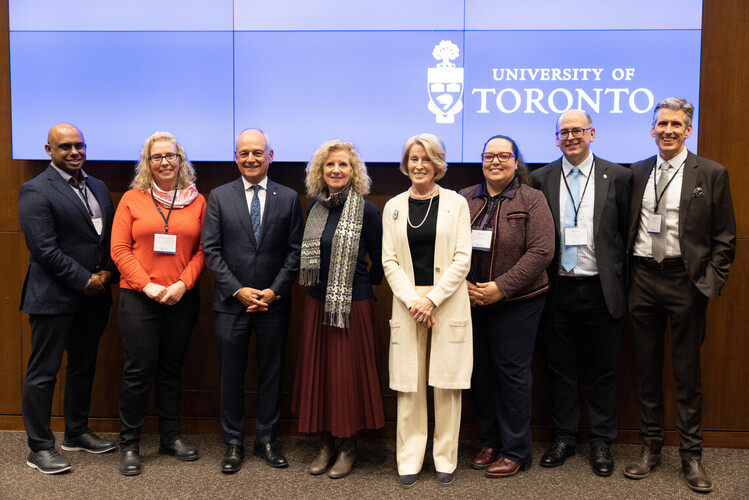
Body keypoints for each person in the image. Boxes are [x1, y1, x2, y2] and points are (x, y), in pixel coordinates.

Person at [624, 97, 736, 493]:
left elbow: (725, 237)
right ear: (652, 130)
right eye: (661, 124)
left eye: (676, 124)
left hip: (685, 280)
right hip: (642, 278)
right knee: (647, 368)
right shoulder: (635, 172)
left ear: (688, 130)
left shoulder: (711, 172)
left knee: (687, 373)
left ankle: (692, 455)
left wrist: (709, 281)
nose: (668, 130)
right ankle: (650, 447)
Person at [531, 110, 632, 476]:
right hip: (558, 288)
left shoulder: (619, 176)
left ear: (592, 133)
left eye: (577, 130)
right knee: (559, 368)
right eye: (564, 132)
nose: (571, 137)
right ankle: (564, 437)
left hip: (601, 289)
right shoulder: (541, 178)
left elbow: (628, 233)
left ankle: (602, 442)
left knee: (603, 370)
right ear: (556, 139)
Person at [202, 128, 303, 474]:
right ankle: (233, 443)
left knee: (271, 374)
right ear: (236, 157)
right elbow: (211, 252)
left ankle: (266, 440)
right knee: (231, 375)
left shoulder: (288, 197)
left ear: (270, 156)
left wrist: (273, 291)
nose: (250, 159)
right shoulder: (218, 196)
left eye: (257, 152)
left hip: (274, 304)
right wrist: (239, 289)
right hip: (232, 304)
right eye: (243, 153)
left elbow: (295, 252)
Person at [19, 123, 117, 474]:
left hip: (94, 297)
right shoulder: (34, 190)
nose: (74, 152)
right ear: (49, 150)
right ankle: (39, 447)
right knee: (43, 373)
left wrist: (106, 272)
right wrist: (84, 280)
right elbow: (43, 249)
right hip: (54, 298)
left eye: (79, 146)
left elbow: (104, 240)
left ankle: (75, 432)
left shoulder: (99, 187)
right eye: (65, 147)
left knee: (83, 367)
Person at [111, 132, 206, 476]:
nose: (164, 162)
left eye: (170, 156)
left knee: (170, 370)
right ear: (147, 163)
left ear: (181, 160)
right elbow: (119, 249)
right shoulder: (132, 199)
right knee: (138, 373)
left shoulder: (197, 201)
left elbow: (202, 251)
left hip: (181, 298)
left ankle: (170, 438)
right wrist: (147, 286)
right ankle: (131, 445)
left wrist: (183, 284)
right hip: (139, 298)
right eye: (156, 157)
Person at [382, 133, 472, 488]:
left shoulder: (456, 203)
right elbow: (389, 260)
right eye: (413, 159)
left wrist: (432, 299)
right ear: (405, 164)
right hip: (408, 304)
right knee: (409, 385)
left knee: (446, 384)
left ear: (438, 163)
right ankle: (409, 458)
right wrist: (414, 300)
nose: (419, 165)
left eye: (426, 159)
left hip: (446, 301)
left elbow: (463, 257)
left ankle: (445, 457)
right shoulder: (393, 206)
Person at [462, 135, 554, 478]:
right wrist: (466, 287)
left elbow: (542, 252)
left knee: (511, 375)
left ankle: (516, 450)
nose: (495, 161)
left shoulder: (532, 199)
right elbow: (451, 246)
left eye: (504, 155)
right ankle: (490, 441)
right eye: (489, 155)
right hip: (472, 301)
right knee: (481, 373)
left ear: (516, 162)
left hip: (519, 302)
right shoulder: (465, 198)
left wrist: (501, 288)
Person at [291, 140, 385, 479]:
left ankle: (348, 446)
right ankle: (326, 444)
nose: (336, 170)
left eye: (343, 165)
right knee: (321, 375)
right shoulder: (314, 208)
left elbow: (380, 259)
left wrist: (360, 288)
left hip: (352, 306)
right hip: (317, 304)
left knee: (346, 377)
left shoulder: (367, 210)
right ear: (320, 170)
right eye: (330, 165)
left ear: (353, 171)